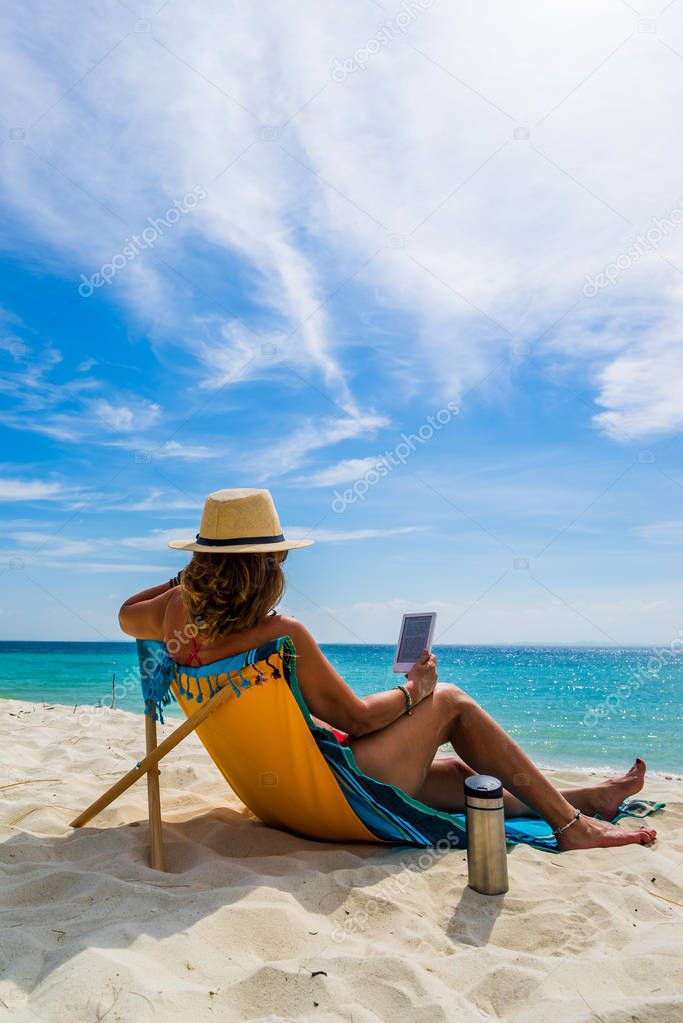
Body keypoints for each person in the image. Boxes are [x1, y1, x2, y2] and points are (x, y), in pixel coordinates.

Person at [119, 488, 656, 851]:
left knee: (460, 778)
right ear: (267, 564)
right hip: (332, 805)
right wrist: (415, 691)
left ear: (204, 561)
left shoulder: (172, 618)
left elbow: (125, 615)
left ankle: (588, 800)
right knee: (451, 701)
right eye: (277, 558)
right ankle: (570, 828)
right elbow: (354, 716)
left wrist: (187, 582)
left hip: (272, 799)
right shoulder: (283, 635)